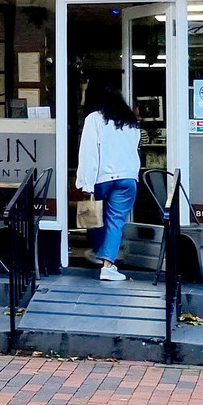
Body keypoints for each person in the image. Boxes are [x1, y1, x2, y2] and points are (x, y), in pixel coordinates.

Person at [76, 89, 142, 283]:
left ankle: (98, 251)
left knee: (94, 214)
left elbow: (88, 152)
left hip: (102, 177)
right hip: (127, 178)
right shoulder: (131, 122)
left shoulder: (94, 119)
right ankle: (108, 266)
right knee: (115, 221)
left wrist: (85, 183)